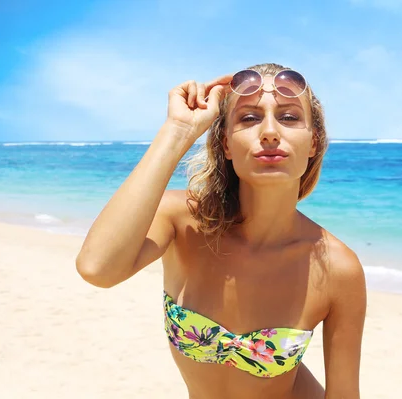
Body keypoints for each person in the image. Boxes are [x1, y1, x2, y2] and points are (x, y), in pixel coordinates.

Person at [76, 63, 367, 399]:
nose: (270, 132)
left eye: (288, 117)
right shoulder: (182, 220)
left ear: (313, 142)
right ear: (226, 144)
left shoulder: (338, 269)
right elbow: (97, 268)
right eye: (248, 118)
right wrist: (178, 130)